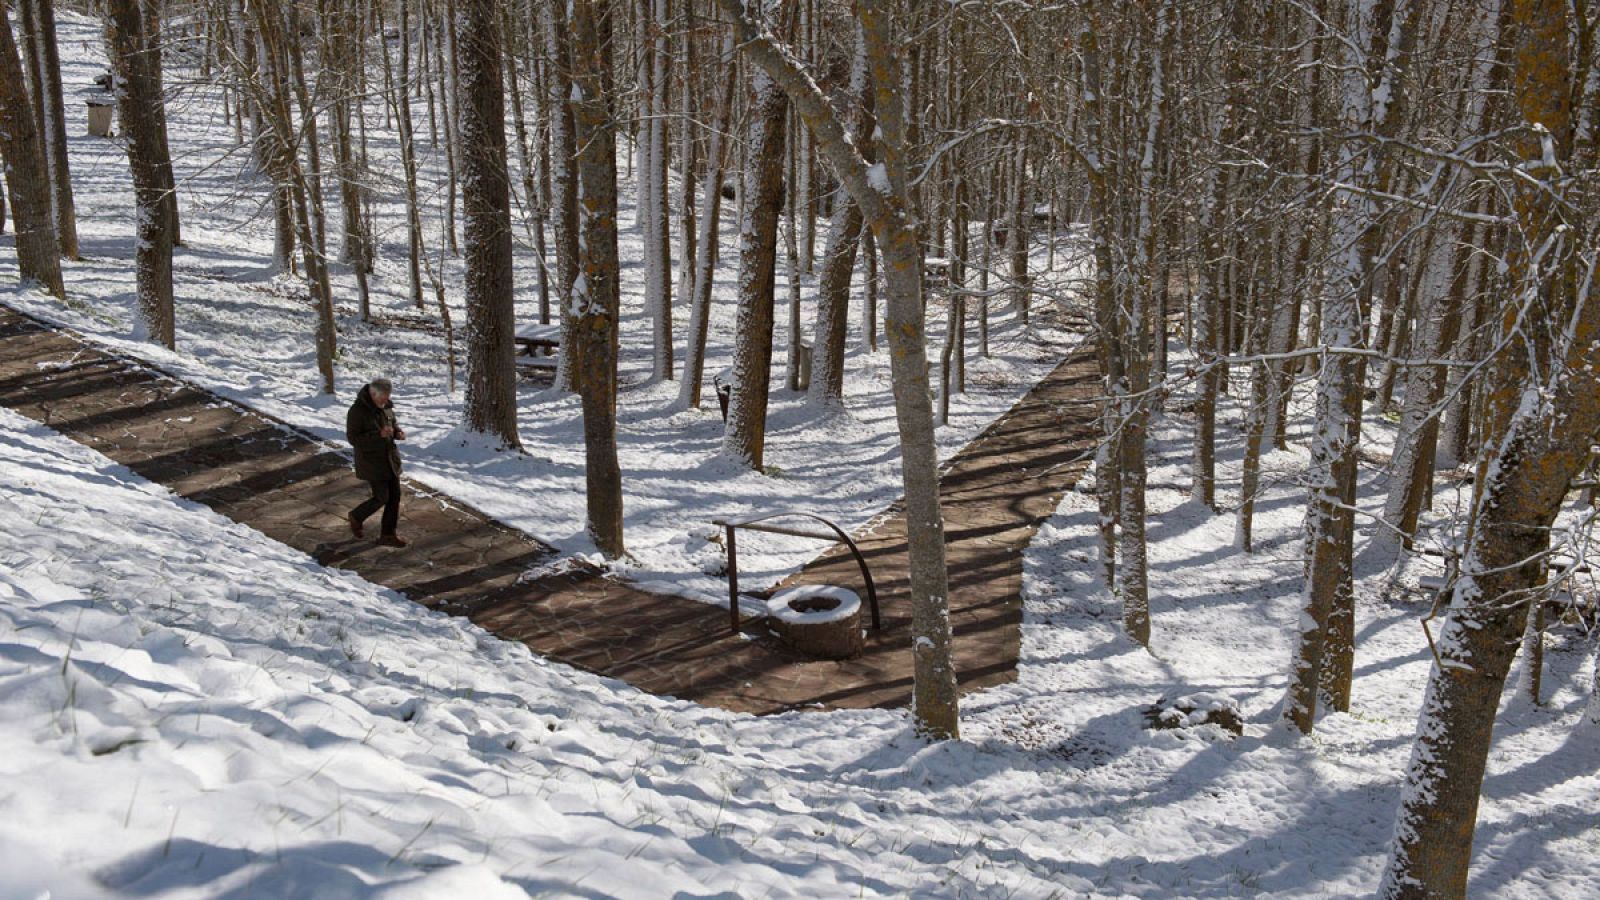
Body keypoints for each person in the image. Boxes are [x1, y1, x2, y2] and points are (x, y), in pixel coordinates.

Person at [346, 377, 409, 547]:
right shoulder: (357, 411)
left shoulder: (386, 406)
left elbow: (392, 424)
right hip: (372, 461)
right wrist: (378, 435)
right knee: (382, 497)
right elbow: (353, 439)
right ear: (373, 394)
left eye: (388, 396)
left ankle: (388, 535)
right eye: (383, 397)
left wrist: (397, 433)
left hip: (390, 459)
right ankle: (357, 516)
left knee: (394, 497)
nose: (386, 400)